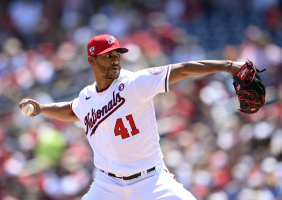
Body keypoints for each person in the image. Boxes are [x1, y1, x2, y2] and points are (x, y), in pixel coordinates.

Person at [19, 34, 243, 200]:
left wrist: (229, 66)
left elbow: (183, 69)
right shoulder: (86, 97)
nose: (115, 60)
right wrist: (42, 108)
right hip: (107, 185)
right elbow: (72, 109)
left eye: (117, 54)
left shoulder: (134, 83)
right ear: (92, 61)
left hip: (151, 181)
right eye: (107, 56)